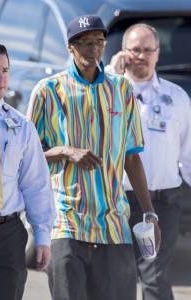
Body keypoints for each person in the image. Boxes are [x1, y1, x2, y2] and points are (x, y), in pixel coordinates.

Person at [27, 15, 161, 300]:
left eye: (99, 42)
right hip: (65, 223)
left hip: (113, 226)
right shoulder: (48, 91)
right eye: (84, 42)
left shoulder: (122, 90)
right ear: (70, 47)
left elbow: (132, 158)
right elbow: (27, 157)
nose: (93, 49)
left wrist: (150, 214)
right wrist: (64, 151)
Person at [106, 23, 191, 300]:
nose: (140, 56)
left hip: (160, 205)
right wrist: (110, 74)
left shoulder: (177, 98)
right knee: (117, 276)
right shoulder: (107, 91)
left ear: (157, 54)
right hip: (116, 203)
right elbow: (93, 121)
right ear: (122, 52)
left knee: (154, 275)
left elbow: (188, 154)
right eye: (134, 50)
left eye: (147, 50)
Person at [0, 42, 56, 300]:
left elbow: (36, 185)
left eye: (5, 70)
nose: (1, 78)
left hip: (7, 235)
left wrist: (42, 236)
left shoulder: (21, 126)